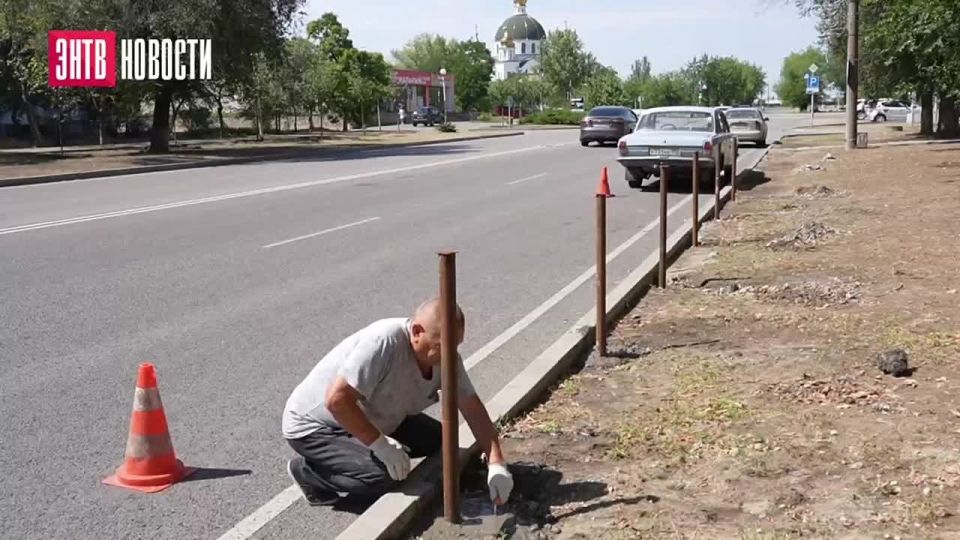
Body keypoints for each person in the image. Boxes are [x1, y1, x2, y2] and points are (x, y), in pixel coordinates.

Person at [282, 298, 513, 506]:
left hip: (370, 414)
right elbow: (337, 400)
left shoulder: (447, 357)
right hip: (318, 426)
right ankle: (308, 473)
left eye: (456, 345)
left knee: (437, 438)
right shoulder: (384, 342)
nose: (450, 354)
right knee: (381, 477)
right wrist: (380, 445)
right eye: (441, 345)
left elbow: (471, 406)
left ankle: (362, 448)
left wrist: (497, 463)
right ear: (416, 331)